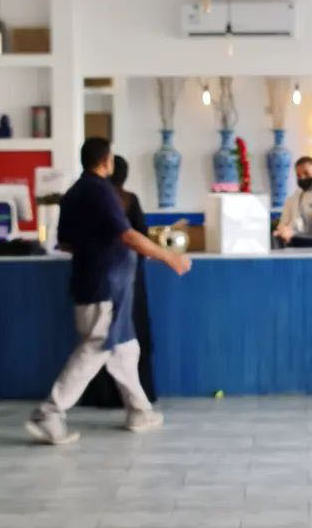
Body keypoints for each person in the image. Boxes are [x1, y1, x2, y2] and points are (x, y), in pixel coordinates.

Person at [26, 138, 190, 446]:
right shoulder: (99, 190)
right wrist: (170, 258)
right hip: (104, 286)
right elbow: (128, 235)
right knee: (98, 346)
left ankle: (140, 411)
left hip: (95, 283)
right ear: (106, 161)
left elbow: (65, 242)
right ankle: (49, 412)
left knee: (126, 349)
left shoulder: (74, 192)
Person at [81, 155, 156, 407]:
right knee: (129, 338)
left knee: (102, 340)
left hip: (98, 278)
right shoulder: (129, 200)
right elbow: (140, 237)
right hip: (130, 279)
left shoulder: (95, 198)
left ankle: (104, 395)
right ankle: (137, 400)